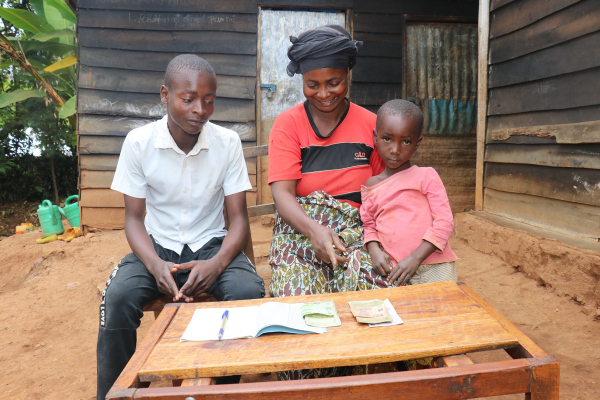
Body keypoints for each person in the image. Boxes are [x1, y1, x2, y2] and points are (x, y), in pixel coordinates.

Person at [96, 55, 265, 399]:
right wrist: (155, 264)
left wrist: (217, 264)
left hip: (211, 245)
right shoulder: (139, 143)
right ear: (165, 95)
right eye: (188, 99)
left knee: (248, 294)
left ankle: (218, 389)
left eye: (209, 100)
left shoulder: (227, 143)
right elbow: (133, 219)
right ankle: (115, 394)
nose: (200, 109)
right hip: (156, 246)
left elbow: (239, 219)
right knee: (117, 300)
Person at [361, 99, 458, 289]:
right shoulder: (372, 186)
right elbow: (369, 224)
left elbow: (444, 222)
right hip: (395, 270)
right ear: (375, 137)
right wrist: (373, 250)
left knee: (442, 314)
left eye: (406, 141)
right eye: (387, 139)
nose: (395, 150)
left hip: (435, 266)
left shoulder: (426, 176)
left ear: (417, 143)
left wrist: (415, 258)